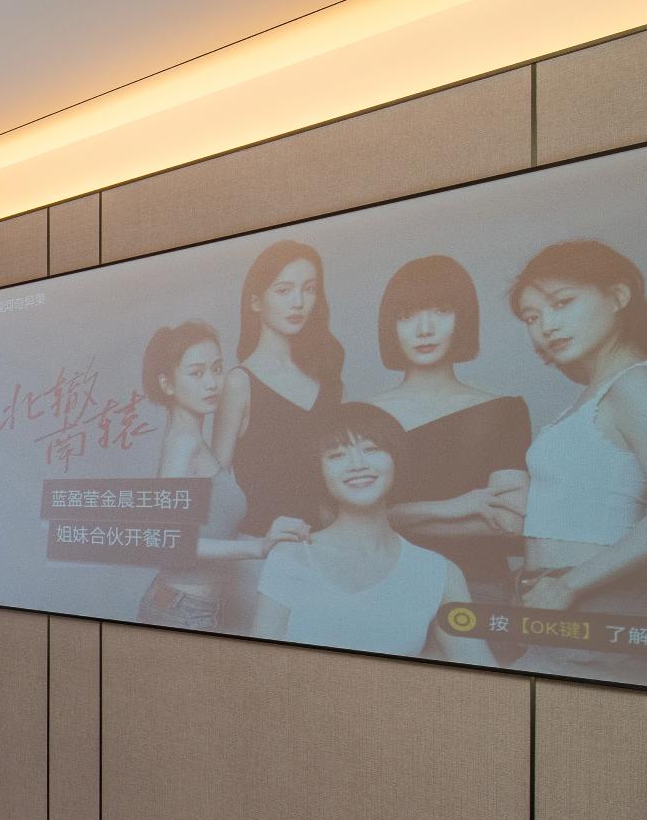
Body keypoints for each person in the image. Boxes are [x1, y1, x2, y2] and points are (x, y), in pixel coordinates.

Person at [506, 239, 647, 686]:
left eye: (562, 302)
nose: (546, 325)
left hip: (597, 605)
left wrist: (567, 585)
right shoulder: (596, 394)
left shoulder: (637, 385)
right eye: (531, 317)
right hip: (558, 609)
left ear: (619, 296)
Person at [362, 255, 531, 640]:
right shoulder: (361, 416)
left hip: (478, 592)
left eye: (440, 311)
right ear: (390, 326)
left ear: (463, 318)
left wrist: (388, 516)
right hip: (383, 588)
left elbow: (510, 522)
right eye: (407, 315)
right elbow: (339, 520)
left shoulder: (504, 410)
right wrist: (458, 508)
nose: (424, 329)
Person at [252, 403, 496, 665]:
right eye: (337, 455)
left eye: (371, 449)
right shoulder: (291, 555)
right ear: (319, 472)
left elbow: (483, 675)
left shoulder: (439, 573)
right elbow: (258, 667)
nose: (357, 465)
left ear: (396, 460)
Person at [134, 321, 308, 631]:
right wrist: (258, 547)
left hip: (190, 607)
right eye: (197, 373)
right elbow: (169, 542)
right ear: (167, 384)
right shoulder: (183, 445)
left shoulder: (194, 441)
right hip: (181, 610)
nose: (212, 383)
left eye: (217, 369)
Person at [213, 239, 344, 537]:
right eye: (284, 290)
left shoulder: (327, 382)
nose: (298, 302)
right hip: (263, 547)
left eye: (309, 289)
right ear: (256, 302)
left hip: (324, 546)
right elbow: (217, 489)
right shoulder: (239, 383)